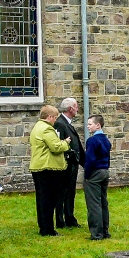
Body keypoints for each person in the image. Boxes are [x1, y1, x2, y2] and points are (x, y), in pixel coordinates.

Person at [29, 105, 71, 236]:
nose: (55, 121)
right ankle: (48, 229)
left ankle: (43, 226)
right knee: (49, 199)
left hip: (38, 166)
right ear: (49, 117)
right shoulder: (47, 128)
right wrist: (66, 142)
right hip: (47, 167)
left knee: (41, 199)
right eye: (55, 118)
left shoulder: (37, 126)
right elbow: (55, 147)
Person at [54, 97, 85, 229]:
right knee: (63, 192)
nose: (78, 109)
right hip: (65, 164)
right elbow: (59, 144)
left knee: (70, 192)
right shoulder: (60, 123)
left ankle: (70, 217)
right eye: (76, 106)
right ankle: (61, 220)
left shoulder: (68, 123)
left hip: (73, 163)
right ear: (70, 108)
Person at [83, 114, 112, 240]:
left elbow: (89, 160)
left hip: (94, 173)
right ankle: (105, 231)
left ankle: (96, 234)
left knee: (93, 204)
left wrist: (87, 175)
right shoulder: (106, 140)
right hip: (104, 171)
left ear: (98, 125)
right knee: (103, 202)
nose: (88, 126)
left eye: (90, 124)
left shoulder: (92, 140)